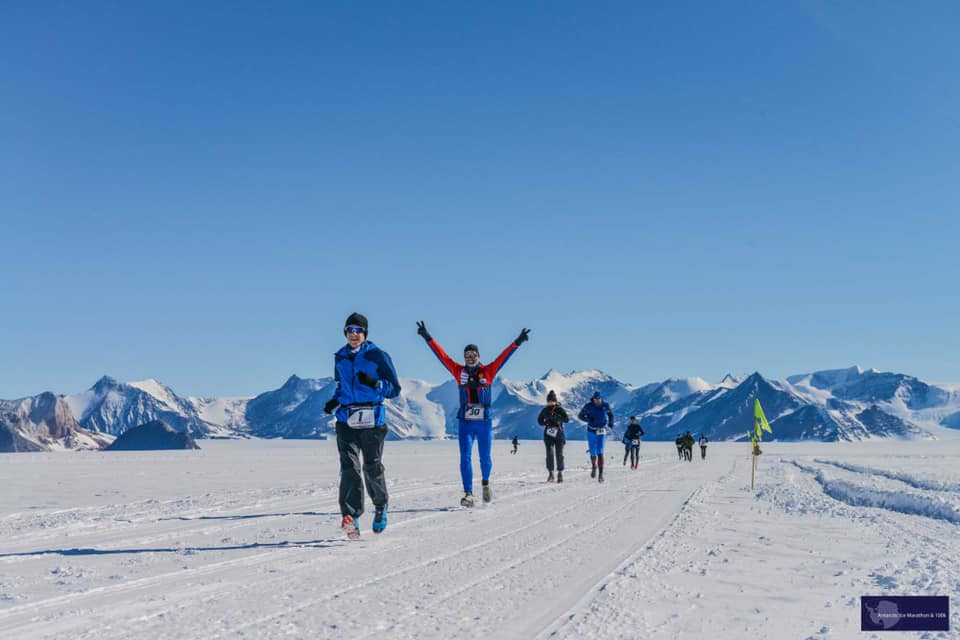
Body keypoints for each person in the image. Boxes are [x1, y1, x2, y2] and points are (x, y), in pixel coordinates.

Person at [417, 320, 529, 507]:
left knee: (485, 458)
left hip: (484, 422)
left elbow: (504, 357)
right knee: (465, 457)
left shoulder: (488, 371)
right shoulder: (458, 371)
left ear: (478, 356)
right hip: (466, 422)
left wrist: (517, 342)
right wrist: (428, 337)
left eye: (473, 355)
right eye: (467, 355)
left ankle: (485, 483)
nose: (470, 358)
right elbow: (442, 357)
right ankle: (468, 493)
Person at [323, 312, 401, 540]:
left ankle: (380, 505)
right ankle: (351, 516)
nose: (354, 334)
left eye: (358, 330)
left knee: (371, 466)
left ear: (365, 333)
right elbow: (341, 386)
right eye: (350, 330)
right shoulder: (340, 357)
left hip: (372, 420)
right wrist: (334, 401)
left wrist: (375, 383)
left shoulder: (378, 356)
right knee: (349, 467)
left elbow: (394, 389)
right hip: (346, 419)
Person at [578, 391, 613, 483]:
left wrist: (611, 422)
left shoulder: (605, 405)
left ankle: (601, 474)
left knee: (600, 451)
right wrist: (589, 419)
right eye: (595, 399)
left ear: (601, 399)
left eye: (598, 399)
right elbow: (580, 416)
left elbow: (611, 415)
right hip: (591, 431)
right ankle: (594, 466)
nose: (597, 401)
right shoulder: (588, 406)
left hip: (601, 431)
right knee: (593, 451)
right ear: (593, 399)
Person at [538, 390, 569, 482]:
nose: (550, 403)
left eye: (552, 401)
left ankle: (560, 473)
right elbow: (539, 420)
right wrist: (544, 423)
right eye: (549, 401)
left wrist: (557, 417)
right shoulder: (545, 410)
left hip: (559, 434)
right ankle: (551, 473)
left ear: (555, 401)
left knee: (559, 454)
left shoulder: (560, 409)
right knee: (549, 453)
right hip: (548, 434)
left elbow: (566, 419)